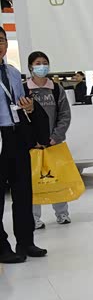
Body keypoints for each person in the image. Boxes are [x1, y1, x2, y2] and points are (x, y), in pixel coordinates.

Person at [0, 27, 49, 263]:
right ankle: (1, 246)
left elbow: (21, 104)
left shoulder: (12, 72)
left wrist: (28, 107)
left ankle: (26, 241)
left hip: (16, 135)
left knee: (23, 192)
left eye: (1, 40)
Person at [26, 51, 72, 228]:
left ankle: (62, 213)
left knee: (57, 179)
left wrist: (55, 137)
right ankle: (34, 217)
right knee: (33, 181)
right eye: (38, 63)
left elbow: (64, 115)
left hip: (53, 144)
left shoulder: (56, 89)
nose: (42, 66)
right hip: (33, 146)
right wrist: (32, 140)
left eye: (44, 62)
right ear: (30, 67)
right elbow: (21, 117)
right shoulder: (24, 89)